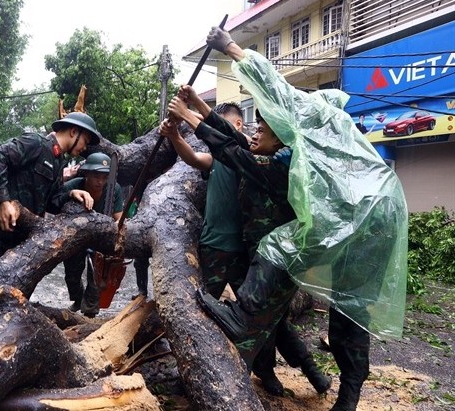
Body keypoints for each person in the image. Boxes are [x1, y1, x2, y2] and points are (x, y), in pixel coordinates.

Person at [200, 27, 407, 411]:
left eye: (266, 119)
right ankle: (348, 396)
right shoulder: (333, 134)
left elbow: (273, 85)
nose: (263, 124)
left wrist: (228, 46)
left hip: (361, 218)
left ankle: (242, 317)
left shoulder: (309, 117)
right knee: (351, 306)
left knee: (278, 245)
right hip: (378, 214)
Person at [162, 98, 329, 396]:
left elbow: (231, 149)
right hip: (248, 253)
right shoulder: (265, 154)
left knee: (260, 324)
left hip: (271, 261)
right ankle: (308, 373)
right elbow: (231, 140)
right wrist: (198, 105)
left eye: (261, 130)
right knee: (266, 320)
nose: (254, 134)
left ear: (278, 139)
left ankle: (246, 379)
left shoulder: (274, 165)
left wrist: (187, 115)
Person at [0, 112, 102, 301]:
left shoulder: (58, 161)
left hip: (18, 244)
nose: (85, 147)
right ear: (73, 132)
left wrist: (71, 193)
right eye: (85, 140)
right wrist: (3, 201)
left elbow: (50, 202)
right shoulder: (35, 144)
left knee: (4, 298)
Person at [53, 152, 124, 317]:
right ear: (86, 174)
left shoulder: (114, 189)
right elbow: (54, 202)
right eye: (96, 176)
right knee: (72, 275)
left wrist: (114, 228)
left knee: (96, 276)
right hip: (76, 238)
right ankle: (78, 300)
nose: (100, 181)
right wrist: (70, 195)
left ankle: (90, 310)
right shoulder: (73, 185)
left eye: (104, 177)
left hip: (100, 240)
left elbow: (119, 217)